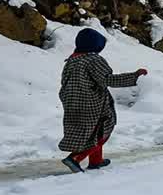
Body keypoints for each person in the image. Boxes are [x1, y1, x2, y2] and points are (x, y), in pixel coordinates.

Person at [59, 28, 147, 173]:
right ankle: (75, 158)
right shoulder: (93, 60)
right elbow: (108, 79)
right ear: (95, 45)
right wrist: (135, 76)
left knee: (90, 131)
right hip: (91, 103)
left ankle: (96, 161)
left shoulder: (72, 60)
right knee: (102, 130)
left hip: (72, 102)